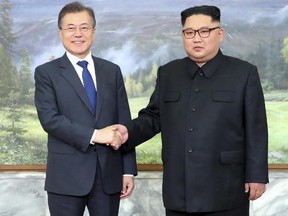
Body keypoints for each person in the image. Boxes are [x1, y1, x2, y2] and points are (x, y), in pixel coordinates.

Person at [114, 5, 269, 216]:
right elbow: (153, 117)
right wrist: (127, 132)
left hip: (226, 188)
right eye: (189, 32)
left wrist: (257, 175)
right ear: (183, 35)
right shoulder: (169, 73)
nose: (197, 38)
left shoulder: (244, 73)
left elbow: (256, 128)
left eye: (204, 31)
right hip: (179, 190)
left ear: (220, 34)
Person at [34, 2, 137, 216]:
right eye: (71, 28)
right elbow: (50, 120)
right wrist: (97, 135)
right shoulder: (46, 73)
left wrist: (128, 170)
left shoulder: (112, 71)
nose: (78, 34)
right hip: (65, 178)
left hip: (108, 176)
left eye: (84, 27)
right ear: (61, 32)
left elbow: (124, 122)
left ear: (93, 31)